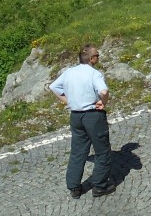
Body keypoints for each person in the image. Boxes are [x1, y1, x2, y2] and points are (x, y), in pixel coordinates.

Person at [49, 44, 115, 198]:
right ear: (92, 58)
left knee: (78, 152)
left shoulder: (69, 72)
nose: (98, 57)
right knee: (102, 151)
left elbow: (53, 87)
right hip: (92, 115)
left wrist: (68, 101)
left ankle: (74, 187)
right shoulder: (94, 74)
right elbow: (104, 91)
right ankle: (99, 186)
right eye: (97, 55)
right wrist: (103, 102)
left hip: (76, 116)